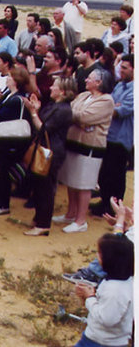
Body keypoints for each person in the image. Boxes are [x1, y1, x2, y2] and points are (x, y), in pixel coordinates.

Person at [56, 70, 115, 233]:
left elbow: (83, 117)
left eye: (90, 78)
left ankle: (81, 221)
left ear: (99, 82)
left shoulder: (106, 100)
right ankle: (71, 213)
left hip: (91, 148)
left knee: (84, 184)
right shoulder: (83, 95)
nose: (86, 79)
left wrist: (77, 119)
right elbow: (71, 110)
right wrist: (79, 120)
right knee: (71, 180)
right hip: (74, 143)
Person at [21, 77, 76, 235]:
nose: (51, 88)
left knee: (45, 188)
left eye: (55, 86)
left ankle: (43, 224)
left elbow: (43, 129)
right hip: (44, 150)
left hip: (52, 153)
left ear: (63, 92)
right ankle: (39, 219)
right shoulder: (55, 105)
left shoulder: (63, 110)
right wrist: (36, 110)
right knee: (39, 186)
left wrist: (32, 113)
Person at [71, 233, 134, 347]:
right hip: (93, 336)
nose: (96, 255)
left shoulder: (115, 291)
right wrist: (88, 295)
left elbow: (107, 319)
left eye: (100, 253)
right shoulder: (116, 281)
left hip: (104, 345)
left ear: (110, 259)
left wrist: (90, 297)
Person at [0, 65, 33, 215]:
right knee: (0, 169)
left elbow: (0, 115)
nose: (8, 79)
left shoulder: (16, 99)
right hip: (4, 138)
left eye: (11, 77)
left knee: (4, 171)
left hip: (11, 140)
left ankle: (3, 204)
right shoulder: (9, 94)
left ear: (16, 80)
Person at [92, 55, 133, 218]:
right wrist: (110, 106)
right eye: (120, 67)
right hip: (109, 136)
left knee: (116, 175)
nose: (120, 71)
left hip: (122, 139)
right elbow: (110, 105)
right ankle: (105, 202)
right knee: (104, 174)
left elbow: (116, 111)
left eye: (124, 68)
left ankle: (115, 207)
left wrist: (110, 107)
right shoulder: (119, 86)